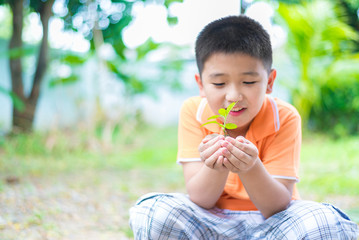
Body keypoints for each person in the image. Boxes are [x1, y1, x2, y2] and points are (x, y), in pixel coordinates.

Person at [129, 15, 359, 239]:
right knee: (154, 212)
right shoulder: (194, 111)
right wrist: (216, 165)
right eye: (219, 83)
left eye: (248, 82)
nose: (233, 96)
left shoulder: (285, 116)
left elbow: (277, 205)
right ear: (201, 84)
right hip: (210, 222)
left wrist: (250, 167)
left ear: (269, 82)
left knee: (323, 221)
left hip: (273, 224)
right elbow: (200, 198)